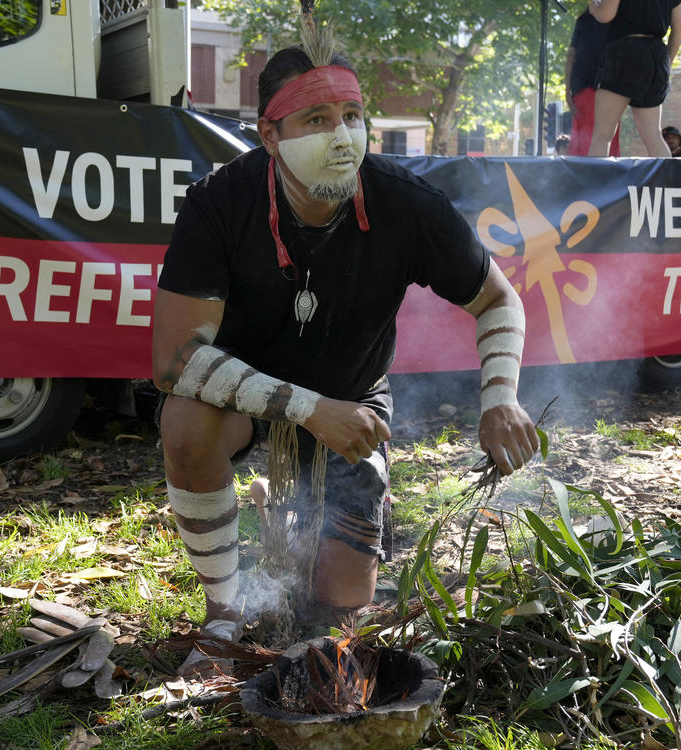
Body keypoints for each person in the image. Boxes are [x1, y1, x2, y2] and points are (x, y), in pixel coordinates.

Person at [151, 29, 539, 659]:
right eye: (317, 119)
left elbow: (498, 299)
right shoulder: (220, 204)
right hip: (246, 407)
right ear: (269, 136)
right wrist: (309, 410)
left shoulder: (405, 203)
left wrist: (500, 397)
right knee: (185, 419)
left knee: (339, 609)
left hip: (355, 406)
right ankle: (223, 606)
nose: (342, 137)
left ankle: (314, 520)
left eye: (352, 117)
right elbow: (173, 360)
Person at [587, 0, 681, 158]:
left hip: (624, 52)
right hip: (657, 56)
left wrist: (593, 7)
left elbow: (605, 15)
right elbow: (679, 27)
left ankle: (597, 182)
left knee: (602, 135)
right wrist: (667, 63)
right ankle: (668, 180)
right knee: (654, 135)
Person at [565, 6, 620, 156]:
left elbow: (571, 55)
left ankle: (587, 176)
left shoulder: (583, 19)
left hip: (584, 90)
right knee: (603, 142)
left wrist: (567, 92)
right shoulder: (618, 16)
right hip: (610, 90)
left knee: (585, 144)